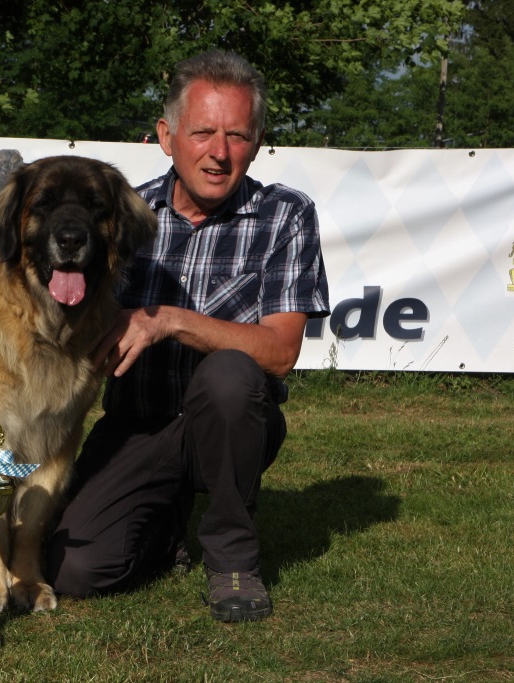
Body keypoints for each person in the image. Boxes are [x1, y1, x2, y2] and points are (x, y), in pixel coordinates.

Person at [46, 49, 330, 622]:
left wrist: (169, 319)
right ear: (166, 135)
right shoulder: (123, 214)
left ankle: (232, 560)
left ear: (258, 140)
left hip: (230, 425)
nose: (219, 154)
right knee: (73, 570)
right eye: (202, 132)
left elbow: (279, 354)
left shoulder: (286, 215)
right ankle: (164, 527)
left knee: (230, 374)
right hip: (136, 424)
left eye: (238, 136)